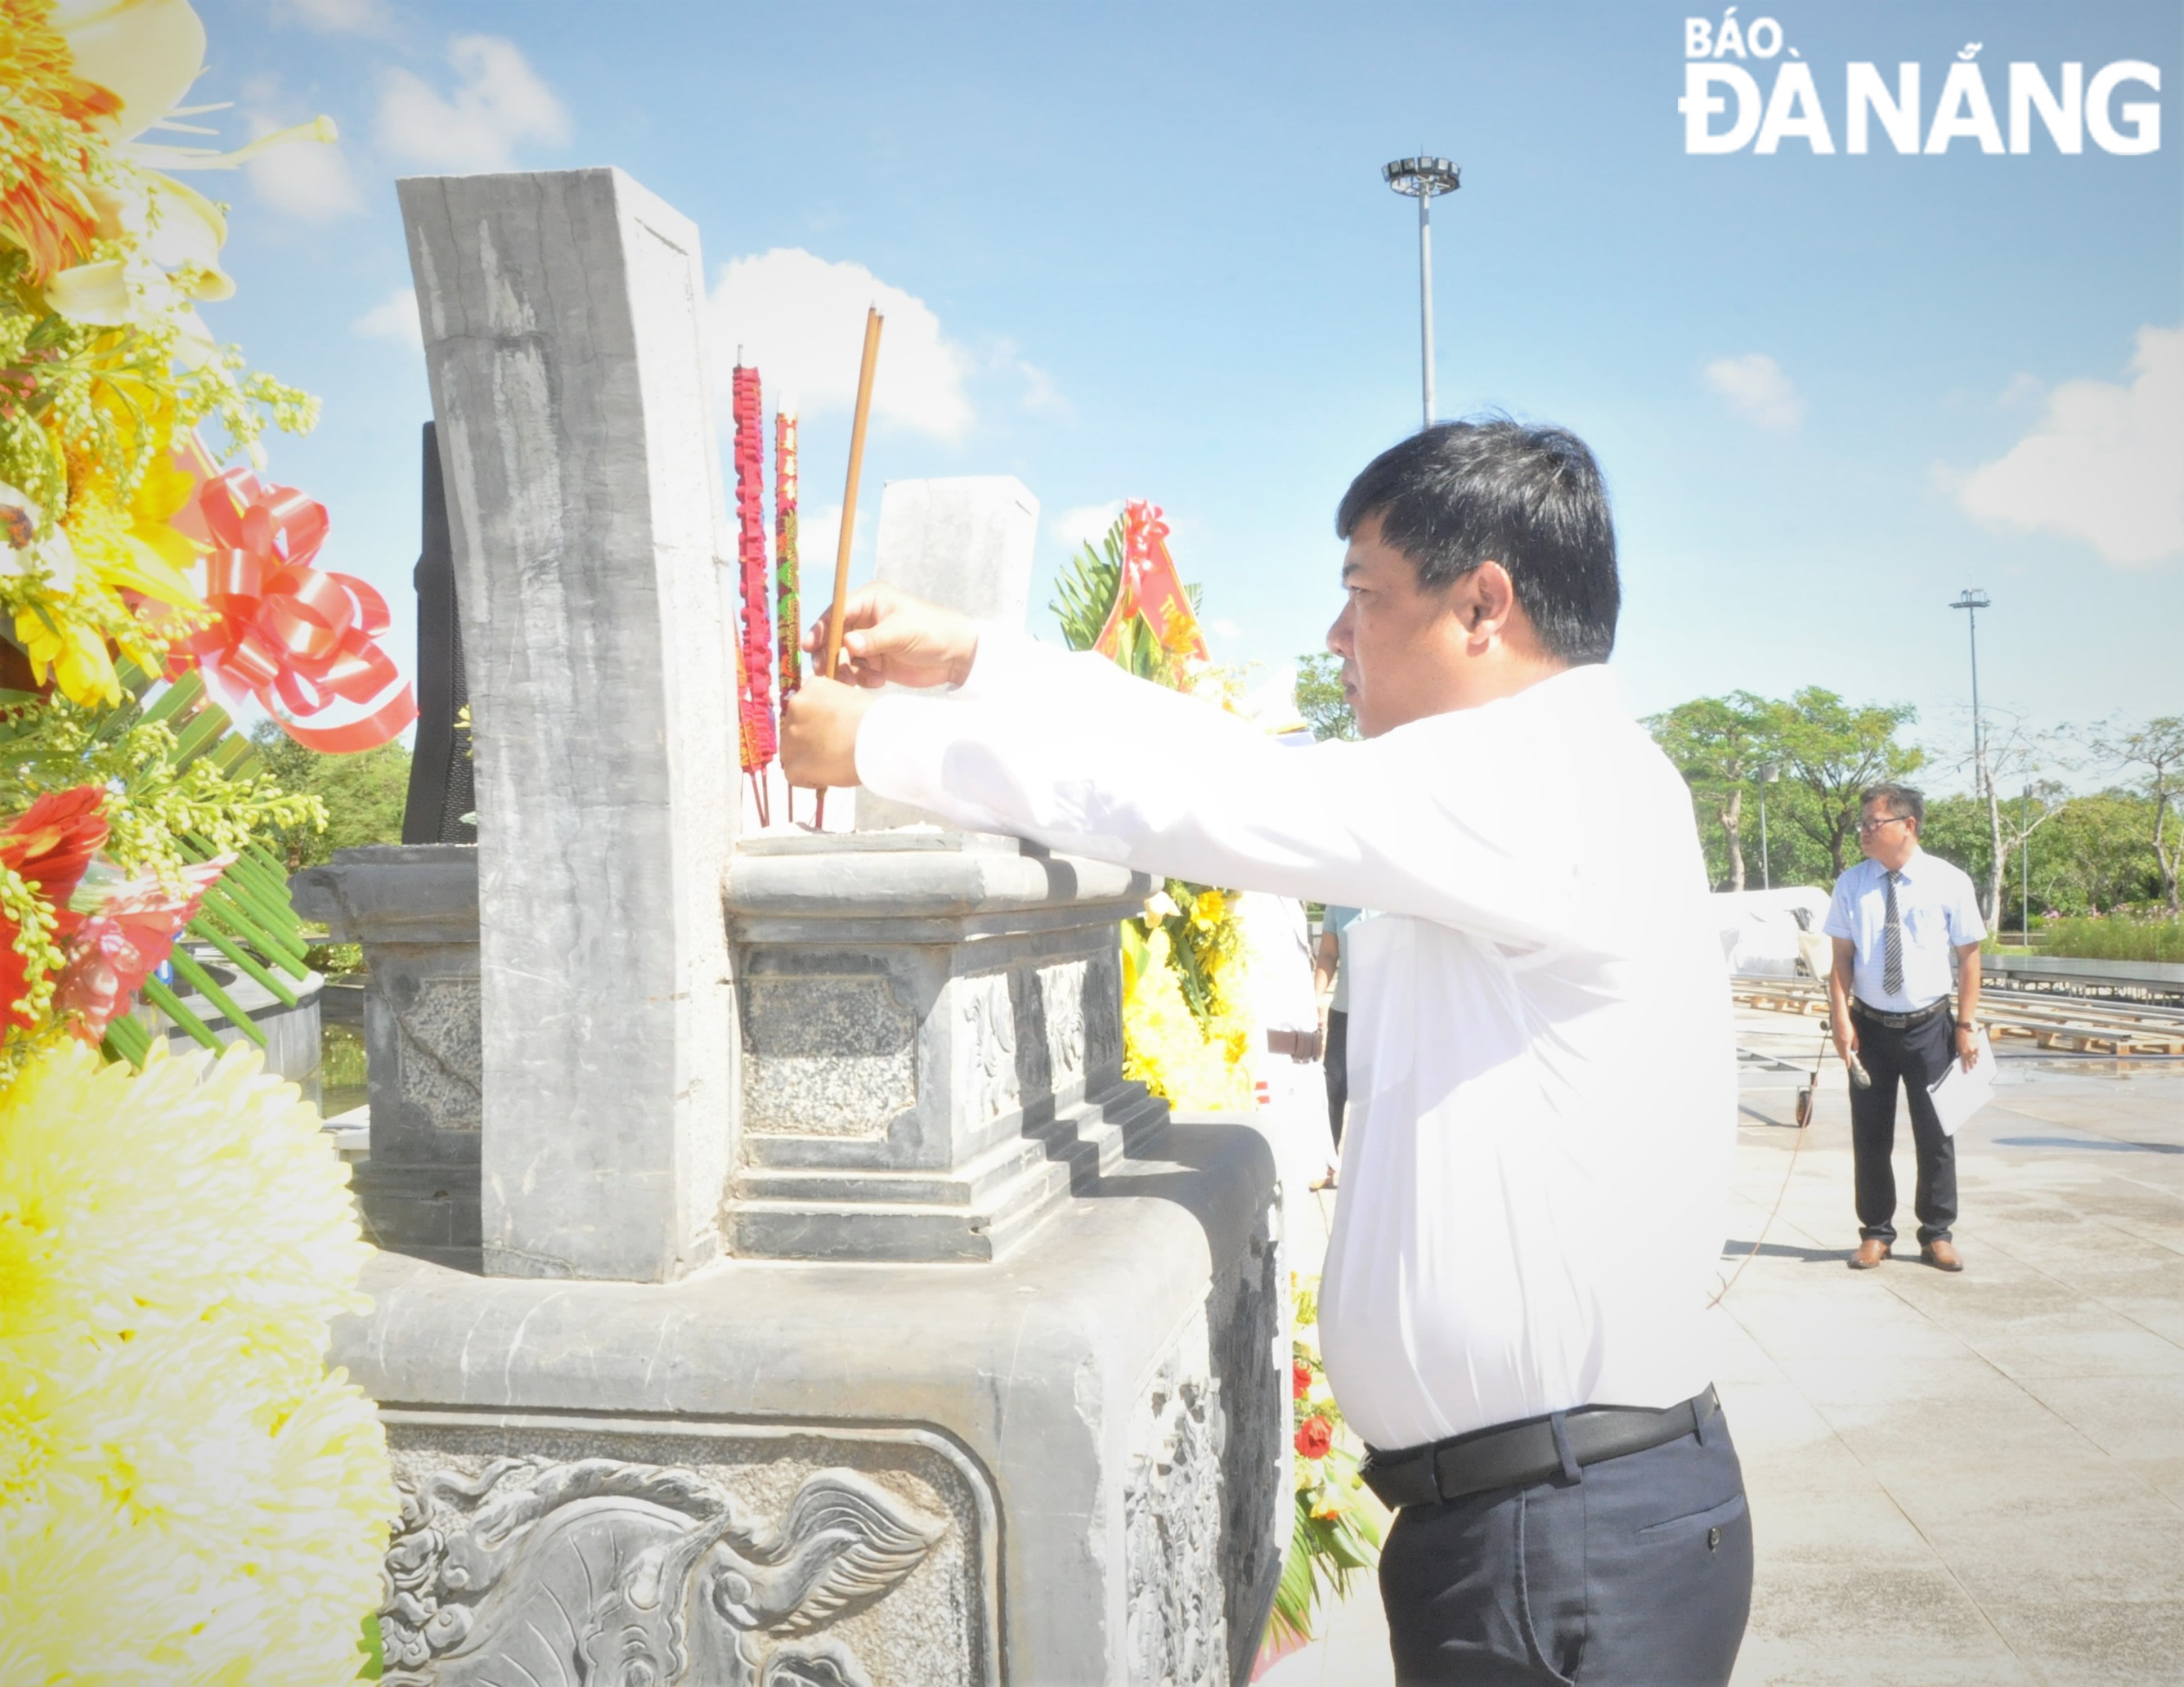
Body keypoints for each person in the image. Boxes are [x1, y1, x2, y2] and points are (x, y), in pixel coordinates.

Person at [782, 419, 1750, 1685]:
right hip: (1533, 1520)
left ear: (1481, 604)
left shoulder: (1547, 776)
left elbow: (1218, 805)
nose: (1338, 636)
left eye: (1361, 596)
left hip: (1568, 1537)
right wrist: (980, 661)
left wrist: (883, 745)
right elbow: (1230, 762)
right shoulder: (1521, 774)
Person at [1823, 783, 1986, 1273]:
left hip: (1930, 1027)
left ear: (1907, 825)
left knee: (1937, 1135)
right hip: (1870, 1028)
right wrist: (1840, 1018)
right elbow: (1841, 959)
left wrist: (1966, 1024)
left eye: (1873, 824)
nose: (1864, 834)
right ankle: (1875, 1233)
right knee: (1870, 1135)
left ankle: (1936, 1234)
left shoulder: (1949, 881)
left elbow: (1969, 958)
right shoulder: (1852, 884)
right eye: (1863, 826)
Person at [1314, 903, 1362, 1160]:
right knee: (1333, 1085)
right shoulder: (1337, 901)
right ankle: (1326, 1161)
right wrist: (1316, 997)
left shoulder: (1393, 895)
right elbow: (1329, 954)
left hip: (1387, 1012)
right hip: (1344, 1010)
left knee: (1379, 1089)